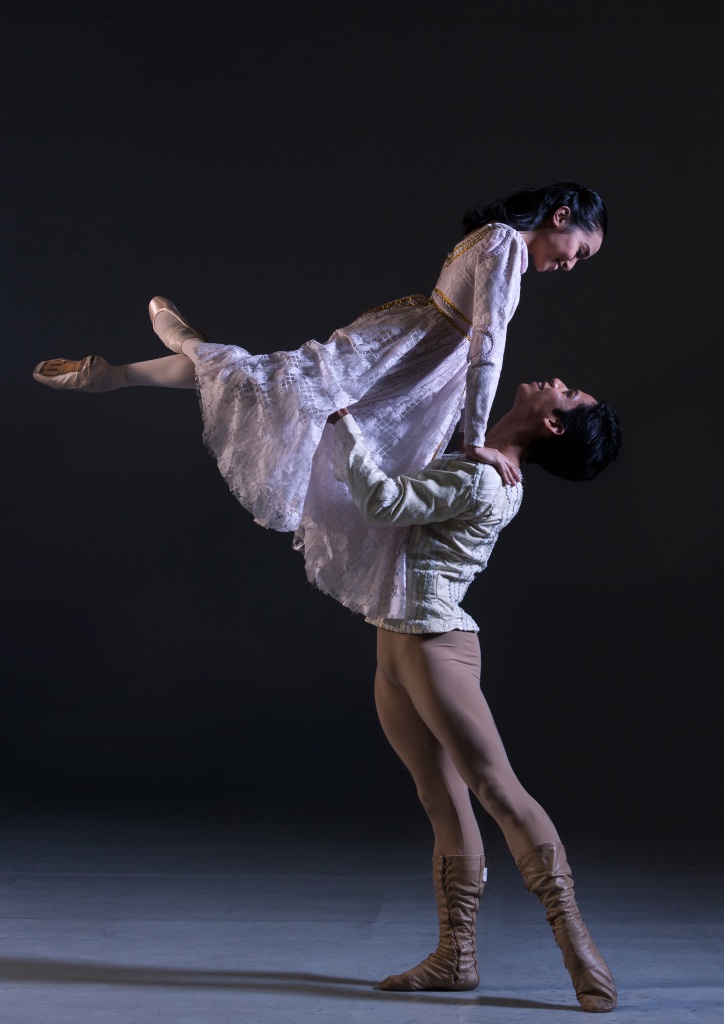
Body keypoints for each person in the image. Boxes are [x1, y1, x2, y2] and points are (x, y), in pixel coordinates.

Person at [33, 182, 606, 620]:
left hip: (416, 367)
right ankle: (173, 350)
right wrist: (475, 441)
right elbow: (488, 346)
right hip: (404, 357)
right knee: (274, 390)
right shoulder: (504, 243)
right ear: (561, 217)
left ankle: (141, 365)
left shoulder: (493, 241)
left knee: (271, 389)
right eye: (579, 250)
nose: (570, 265)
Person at [327, 377, 621, 1012]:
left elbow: (381, 501)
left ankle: (580, 951)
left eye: (570, 395)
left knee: (496, 788)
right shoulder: (484, 465)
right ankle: (455, 957)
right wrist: (474, 445)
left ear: (554, 425)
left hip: (435, 646)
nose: (559, 383)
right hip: (399, 646)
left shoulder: (485, 478)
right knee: (441, 798)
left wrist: (342, 420)